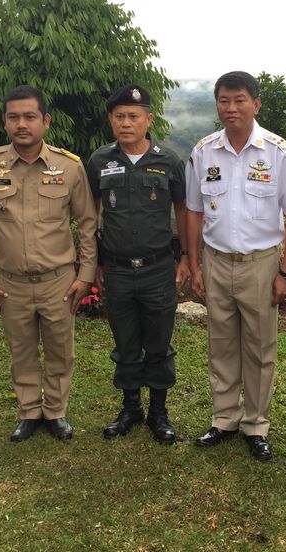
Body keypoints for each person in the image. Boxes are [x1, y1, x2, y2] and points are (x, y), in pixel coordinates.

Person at [185, 71, 286, 461]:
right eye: (224, 100)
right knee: (220, 343)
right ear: (217, 105)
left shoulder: (279, 153)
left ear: (255, 104)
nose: (231, 108)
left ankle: (256, 425)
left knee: (259, 346)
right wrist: (195, 265)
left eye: (239, 100)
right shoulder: (203, 152)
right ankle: (224, 419)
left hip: (261, 263)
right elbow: (193, 211)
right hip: (216, 260)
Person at [0, 85, 97, 443]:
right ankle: (29, 411)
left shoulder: (69, 166)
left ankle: (55, 411)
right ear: (5, 121)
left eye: (29, 117)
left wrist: (86, 274)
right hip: (12, 282)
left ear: (46, 121)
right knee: (21, 350)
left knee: (60, 350)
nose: (21, 124)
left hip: (60, 279)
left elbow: (87, 223)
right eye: (14, 117)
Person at [86, 84, 189, 444]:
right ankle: (131, 408)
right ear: (111, 120)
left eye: (133, 116)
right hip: (116, 268)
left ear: (149, 119)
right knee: (125, 342)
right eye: (119, 116)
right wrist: (94, 262)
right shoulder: (99, 161)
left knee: (159, 343)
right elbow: (91, 213)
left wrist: (186, 257)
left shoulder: (169, 161)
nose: (126, 122)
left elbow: (183, 210)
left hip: (158, 267)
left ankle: (159, 412)